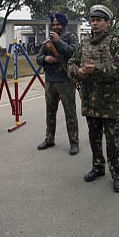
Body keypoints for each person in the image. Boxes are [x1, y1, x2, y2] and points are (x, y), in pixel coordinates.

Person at [67, 5, 119, 193]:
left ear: (107, 23)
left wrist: (97, 69)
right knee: (94, 137)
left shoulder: (115, 42)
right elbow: (71, 63)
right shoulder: (84, 43)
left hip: (111, 103)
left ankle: (117, 174)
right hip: (90, 101)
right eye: (92, 20)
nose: (95, 23)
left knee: (113, 140)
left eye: (99, 20)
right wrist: (79, 72)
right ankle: (98, 167)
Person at [36, 12, 80, 155]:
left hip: (66, 80)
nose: (55, 26)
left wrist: (58, 41)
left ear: (64, 25)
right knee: (50, 112)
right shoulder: (48, 40)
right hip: (50, 81)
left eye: (58, 24)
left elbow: (74, 52)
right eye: (53, 24)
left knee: (70, 113)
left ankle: (74, 142)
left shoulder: (71, 37)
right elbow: (38, 57)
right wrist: (45, 59)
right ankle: (49, 139)